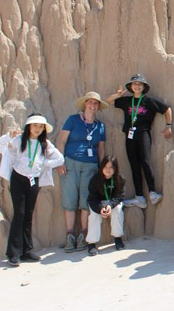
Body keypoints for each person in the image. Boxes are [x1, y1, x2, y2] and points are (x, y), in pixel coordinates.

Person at [0, 114, 64, 266]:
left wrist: (45, 162)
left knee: (29, 214)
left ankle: (27, 251)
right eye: (35, 125)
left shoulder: (44, 143)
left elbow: (60, 159)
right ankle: (13, 253)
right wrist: (8, 137)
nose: (38, 129)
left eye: (40, 126)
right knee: (20, 213)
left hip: (34, 180)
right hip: (19, 179)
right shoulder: (19, 140)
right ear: (29, 126)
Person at [106, 74, 172, 208]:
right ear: (130, 86)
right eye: (135, 84)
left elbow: (167, 109)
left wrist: (169, 126)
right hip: (129, 135)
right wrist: (118, 95)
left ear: (144, 87)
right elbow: (109, 101)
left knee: (145, 162)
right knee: (133, 164)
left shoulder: (149, 101)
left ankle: (152, 192)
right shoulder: (126, 101)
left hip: (142, 133)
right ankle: (139, 197)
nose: (137, 86)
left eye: (140, 84)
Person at [56, 91, 108, 253]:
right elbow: (61, 140)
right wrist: (60, 161)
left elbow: (100, 148)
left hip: (90, 166)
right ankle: (70, 235)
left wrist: (102, 168)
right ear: (85, 104)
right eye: (90, 102)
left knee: (86, 199)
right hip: (71, 162)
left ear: (98, 107)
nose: (92, 105)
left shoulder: (100, 126)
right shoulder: (73, 120)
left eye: (95, 103)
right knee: (70, 197)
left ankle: (83, 235)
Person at [85, 155, 126, 256]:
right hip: (98, 204)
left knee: (118, 210)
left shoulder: (119, 179)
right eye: (106, 167)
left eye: (111, 167)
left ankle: (118, 238)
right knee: (94, 216)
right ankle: (92, 243)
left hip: (112, 203)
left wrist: (110, 206)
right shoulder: (95, 180)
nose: (108, 170)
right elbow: (92, 199)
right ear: (102, 167)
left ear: (115, 169)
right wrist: (100, 209)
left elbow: (120, 196)